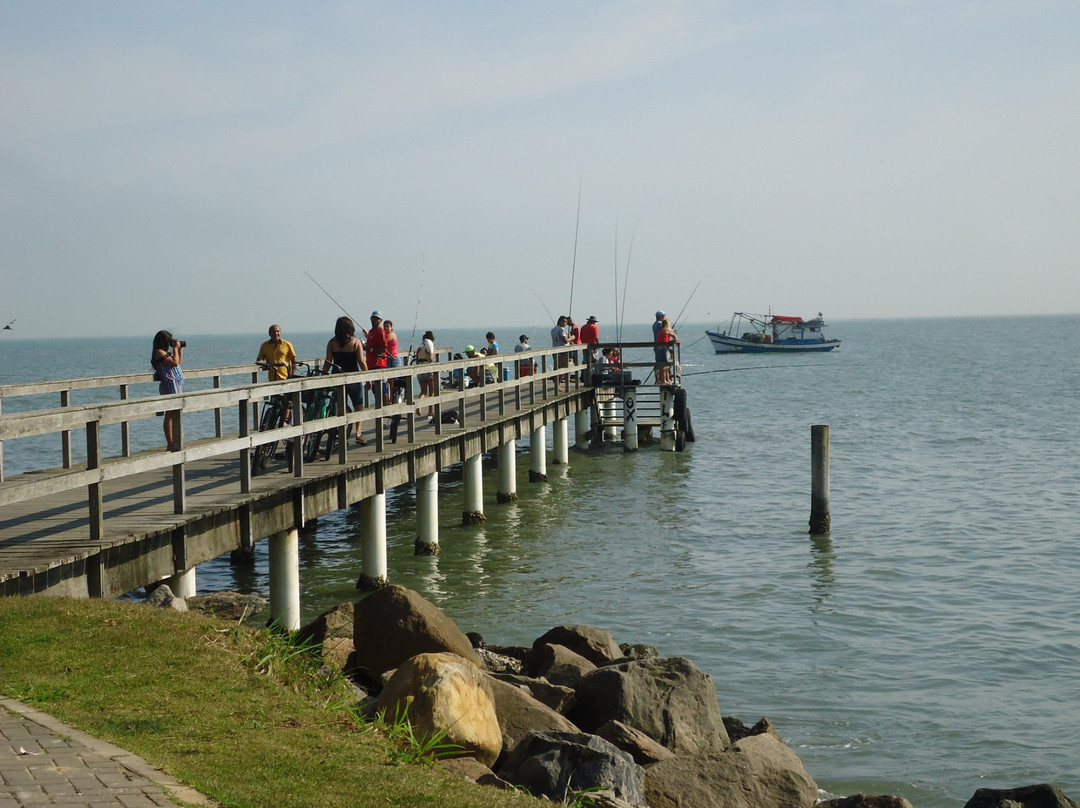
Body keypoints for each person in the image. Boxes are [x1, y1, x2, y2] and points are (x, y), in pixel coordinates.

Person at [324, 316, 369, 445]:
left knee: (339, 407)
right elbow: (361, 361)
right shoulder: (355, 342)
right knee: (358, 405)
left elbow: (328, 362)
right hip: (353, 377)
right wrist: (368, 378)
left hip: (337, 377)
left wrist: (323, 375)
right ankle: (358, 434)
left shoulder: (332, 343)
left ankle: (340, 433)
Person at [151, 330, 184, 451]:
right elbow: (174, 363)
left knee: (176, 414)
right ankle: (170, 443)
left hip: (176, 384)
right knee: (170, 415)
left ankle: (176, 441)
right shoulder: (159, 352)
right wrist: (175, 348)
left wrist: (180, 351)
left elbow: (178, 363)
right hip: (169, 385)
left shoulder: (165, 353)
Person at [414, 330, 437, 417]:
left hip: (420, 370)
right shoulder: (430, 347)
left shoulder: (419, 349)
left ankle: (419, 405)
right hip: (428, 370)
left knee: (423, 392)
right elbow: (430, 359)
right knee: (431, 392)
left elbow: (417, 360)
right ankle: (431, 411)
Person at [655, 317, 679, 385]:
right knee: (664, 365)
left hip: (659, 348)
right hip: (664, 348)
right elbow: (675, 337)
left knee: (664, 365)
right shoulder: (666, 329)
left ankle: (666, 379)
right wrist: (674, 340)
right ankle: (664, 380)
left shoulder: (661, 330)